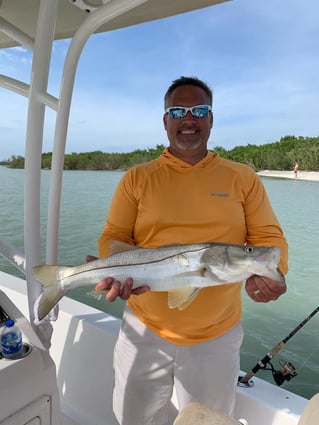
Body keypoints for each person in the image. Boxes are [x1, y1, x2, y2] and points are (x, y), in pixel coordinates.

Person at [96, 76, 288, 425]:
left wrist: (273, 274)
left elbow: (268, 236)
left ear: (211, 119)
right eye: (178, 111)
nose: (189, 119)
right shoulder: (137, 178)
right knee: (133, 418)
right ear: (165, 120)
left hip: (216, 334)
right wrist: (115, 267)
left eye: (199, 111)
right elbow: (114, 234)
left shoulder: (242, 177)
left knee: (208, 421)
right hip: (143, 327)